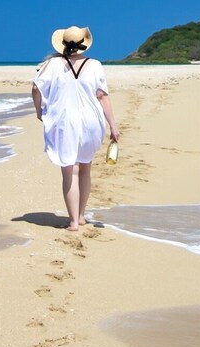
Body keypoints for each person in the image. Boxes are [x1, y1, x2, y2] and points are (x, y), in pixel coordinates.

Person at [31, 26, 121, 231]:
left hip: (64, 122)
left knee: (70, 171)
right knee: (85, 167)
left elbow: (36, 88)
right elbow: (102, 96)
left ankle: (73, 222)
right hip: (91, 121)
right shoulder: (95, 64)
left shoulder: (52, 64)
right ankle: (80, 216)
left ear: (63, 44)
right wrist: (113, 125)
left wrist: (39, 110)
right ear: (84, 44)